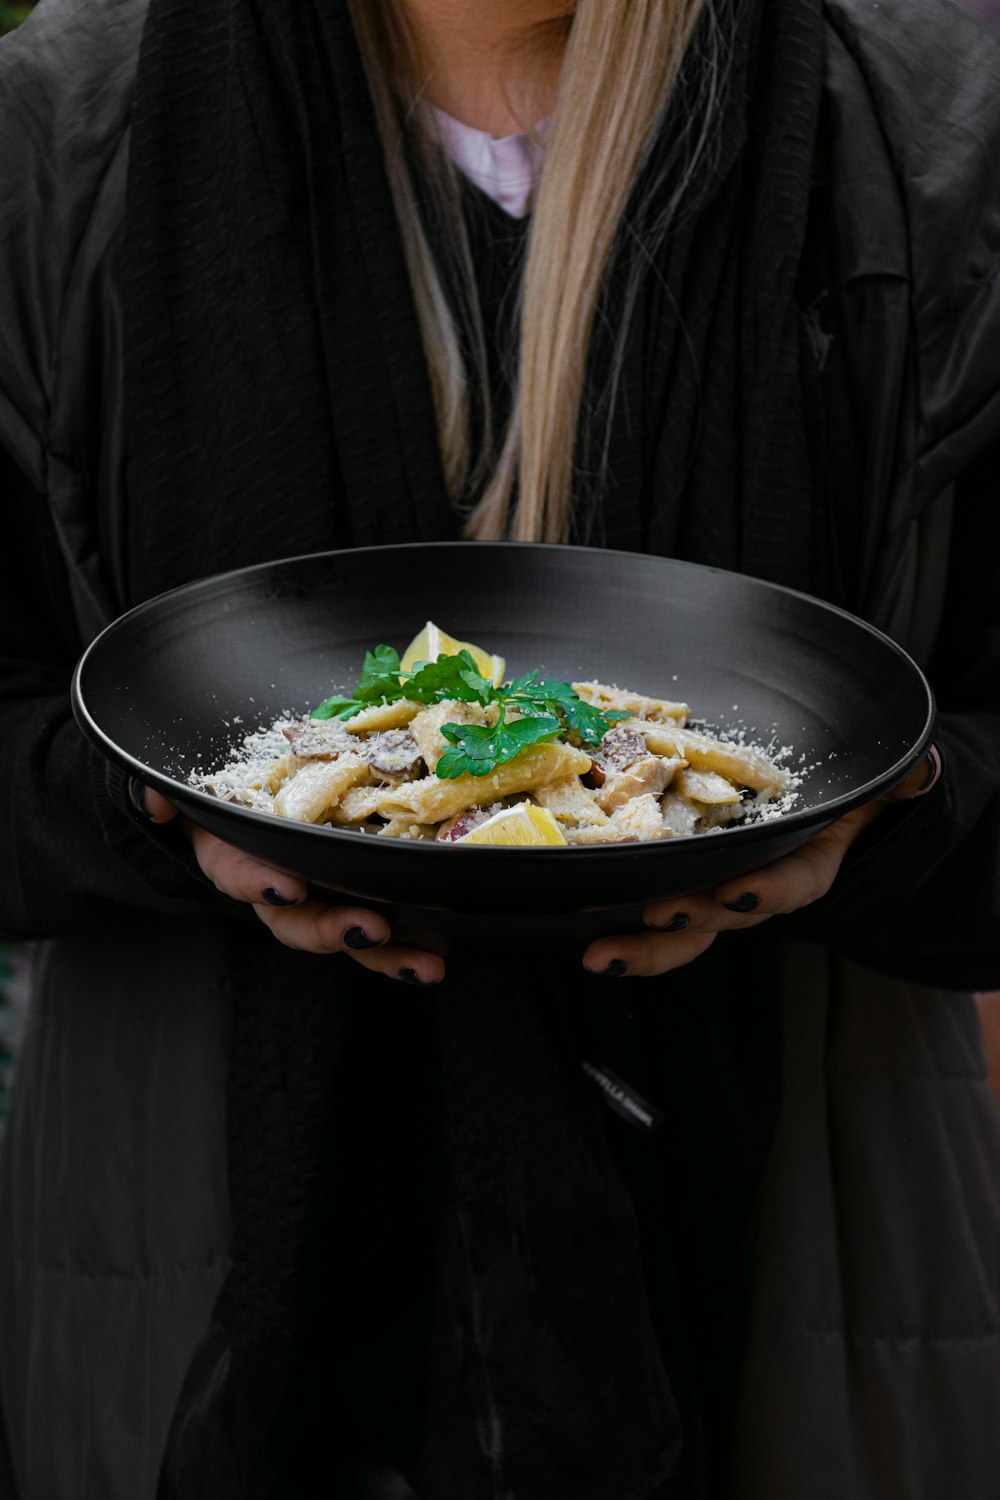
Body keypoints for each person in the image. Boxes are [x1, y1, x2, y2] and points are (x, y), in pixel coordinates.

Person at [1, 0, 999, 1495]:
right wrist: (147, 804)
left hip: (814, 1253)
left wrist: (891, 810)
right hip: (184, 1240)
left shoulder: (948, 132)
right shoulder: (51, 136)